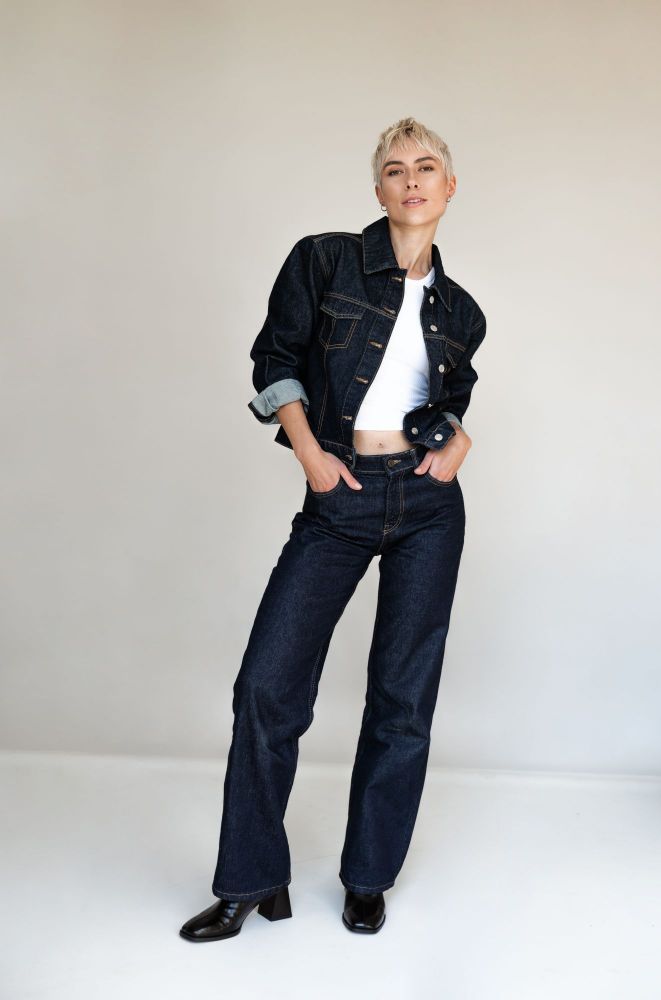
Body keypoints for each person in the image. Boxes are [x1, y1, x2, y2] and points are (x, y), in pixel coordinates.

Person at [180, 116, 487, 942]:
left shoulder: (461, 309)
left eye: (427, 167)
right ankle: (250, 881)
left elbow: (447, 399)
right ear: (378, 188)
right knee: (266, 688)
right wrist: (311, 456)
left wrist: (457, 440)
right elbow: (274, 358)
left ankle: (367, 877)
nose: (411, 180)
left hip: (426, 508)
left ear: (449, 187)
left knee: (401, 698)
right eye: (395, 169)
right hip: (338, 495)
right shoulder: (322, 260)